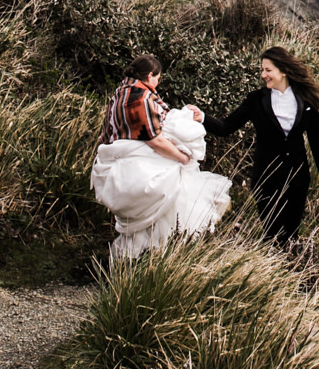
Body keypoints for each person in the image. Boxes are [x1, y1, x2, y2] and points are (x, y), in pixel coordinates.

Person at [90, 54, 231, 259]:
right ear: (149, 75)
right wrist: (182, 158)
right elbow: (154, 140)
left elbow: (108, 135)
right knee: (164, 210)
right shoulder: (140, 98)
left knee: (140, 223)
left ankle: (130, 262)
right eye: (157, 78)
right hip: (141, 169)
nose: (158, 83)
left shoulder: (118, 95)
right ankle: (150, 261)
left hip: (121, 170)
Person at [200, 44, 319, 245]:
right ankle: (270, 269)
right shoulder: (256, 100)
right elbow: (226, 127)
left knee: (290, 236)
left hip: (297, 177)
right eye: (262, 70)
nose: (263, 75)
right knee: (272, 233)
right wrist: (201, 117)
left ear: (284, 70)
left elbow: (317, 139)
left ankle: (287, 271)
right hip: (266, 177)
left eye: (268, 70)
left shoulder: (305, 100)